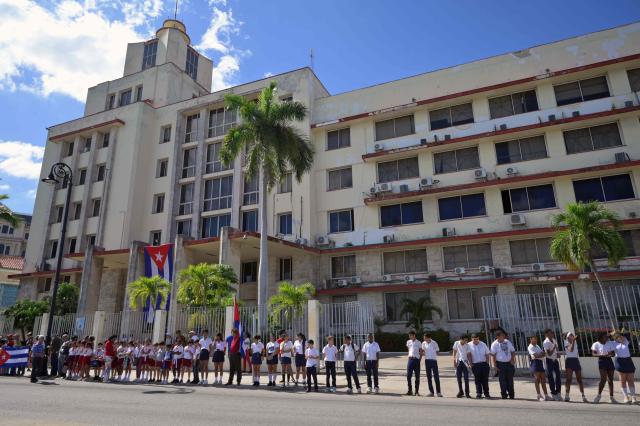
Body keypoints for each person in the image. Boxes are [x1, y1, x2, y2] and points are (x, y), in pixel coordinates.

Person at [490, 330, 516, 399]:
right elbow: (493, 355)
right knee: (502, 380)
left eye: (504, 335)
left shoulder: (507, 342)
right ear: (497, 337)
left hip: (509, 363)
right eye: (502, 335)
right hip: (500, 364)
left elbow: (513, 351)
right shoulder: (494, 344)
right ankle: (504, 394)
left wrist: (512, 359)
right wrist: (495, 366)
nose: (504, 336)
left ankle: (511, 394)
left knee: (510, 380)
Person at [612, 332, 636, 404]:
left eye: (622, 336)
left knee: (630, 380)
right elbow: (606, 340)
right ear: (616, 338)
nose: (621, 338)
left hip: (628, 361)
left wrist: (619, 333)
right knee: (623, 381)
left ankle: (633, 396)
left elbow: (628, 333)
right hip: (620, 361)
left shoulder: (626, 341)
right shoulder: (613, 343)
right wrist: (612, 334)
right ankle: (625, 396)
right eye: (619, 337)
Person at [591, 331, 615, 404]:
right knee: (603, 379)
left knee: (610, 380)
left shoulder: (609, 343)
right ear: (601, 337)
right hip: (602, 361)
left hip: (609, 361)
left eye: (607, 336)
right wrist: (602, 355)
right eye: (605, 336)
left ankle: (611, 397)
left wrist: (611, 354)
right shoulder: (596, 344)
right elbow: (593, 354)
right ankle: (598, 396)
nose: (607, 337)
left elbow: (613, 353)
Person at [563, 332, 587, 402]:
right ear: (568, 337)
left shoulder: (575, 342)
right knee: (568, 379)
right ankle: (567, 395)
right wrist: (573, 341)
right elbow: (571, 350)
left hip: (576, 360)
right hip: (569, 361)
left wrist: (574, 341)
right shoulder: (566, 343)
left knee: (579, 379)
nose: (572, 336)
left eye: (573, 335)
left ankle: (583, 396)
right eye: (571, 335)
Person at [468, 334, 491, 399]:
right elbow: (469, 355)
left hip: (484, 364)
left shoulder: (483, 344)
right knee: (477, 380)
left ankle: (487, 393)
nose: (475, 341)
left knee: (485, 380)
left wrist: (487, 363)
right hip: (475, 365)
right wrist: (471, 364)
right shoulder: (469, 345)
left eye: (477, 339)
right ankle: (479, 393)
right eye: (474, 339)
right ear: (471, 339)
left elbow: (487, 354)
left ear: (478, 338)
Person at [527, 336, 550, 402]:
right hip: (535, 363)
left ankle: (546, 395)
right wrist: (540, 355)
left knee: (543, 379)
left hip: (540, 363)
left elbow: (543, 354)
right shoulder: (530, 347)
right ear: (531, 340)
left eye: (536, 339)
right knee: (537, 379)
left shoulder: (537, 346)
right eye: (534, 339)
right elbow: (535, 356)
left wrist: (540, 355)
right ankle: (538, 395)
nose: (535, 340)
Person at [542, 329, 562, 400]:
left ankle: (558, 391)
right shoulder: (545, 342)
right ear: (546, 334)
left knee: (558, 376)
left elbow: (556, 349)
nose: (552, 334)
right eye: (550, 333)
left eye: (552, 333)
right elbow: (549, 353)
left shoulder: (554, 340)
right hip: (549, 360)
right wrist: (553, 348)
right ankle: (553, 392)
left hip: (555, 360)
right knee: (550, 377)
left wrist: (557, 353)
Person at [421, 333, 441, 397]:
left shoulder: (434, 343)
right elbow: (423, 351)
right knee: (429, 377)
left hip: (433, 361)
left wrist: (433, 353)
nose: (424, 339)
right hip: (427, 361)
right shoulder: (423, 343)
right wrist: (423, 353)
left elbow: (437, 351)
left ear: (428, 338)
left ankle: (438, 392)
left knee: (436, 377)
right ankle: (431, 392)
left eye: (425, 338)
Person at [406, 330, 422, 396]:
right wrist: (409, 356)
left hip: (416, 360)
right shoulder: (408, 342)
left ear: (414, 335)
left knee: (417, 376)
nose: (409, 337)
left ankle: (416, 391)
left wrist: (419, 359)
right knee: (408, 376)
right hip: (410, 360)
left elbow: (421, 351)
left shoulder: (418, 342)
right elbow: (408, 349)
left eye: (410, 335)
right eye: (409, 335)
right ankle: (410, 390)